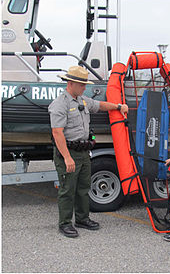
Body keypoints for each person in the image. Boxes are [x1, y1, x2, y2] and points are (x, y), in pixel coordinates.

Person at [48, 65, 128, 238]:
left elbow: (99, 105)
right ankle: (65, 223)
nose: (85, 87)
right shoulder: (60, 104)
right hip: (69, 152)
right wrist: (67, 158)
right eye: (82, 84)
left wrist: (118, 106)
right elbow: (57, 133)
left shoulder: (82, 100)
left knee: (83, 187)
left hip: (83, 152)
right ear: (71, 83)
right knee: (67, 189)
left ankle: (83, 219)